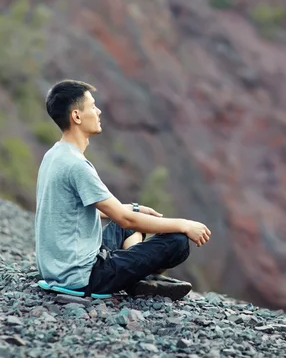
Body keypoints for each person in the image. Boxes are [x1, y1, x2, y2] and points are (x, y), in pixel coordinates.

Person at [34, 79, 212, 301]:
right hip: (84, 277)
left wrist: (135, 209)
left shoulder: (54, 155)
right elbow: (125, 219)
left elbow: (72, 210)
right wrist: (184, 225)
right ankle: (133, 278)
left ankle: (135, 278)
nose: (98, 111)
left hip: (57, 269)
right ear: (77, 116)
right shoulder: (76, 166)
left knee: (128, 227)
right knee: (177, 242)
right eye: (92, 106)